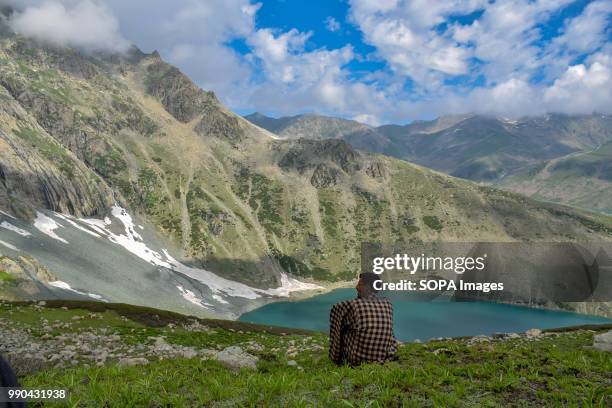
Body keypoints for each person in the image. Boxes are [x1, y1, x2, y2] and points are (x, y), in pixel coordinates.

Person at [328, 272, 398, 366]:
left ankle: (335, 357)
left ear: (368, 287)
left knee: (341, 325)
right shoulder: (387, 304)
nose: (356, 287)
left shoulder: (352, 305)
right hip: (382, 357)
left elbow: (335, 313)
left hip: (356, 360)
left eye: (360, 284)